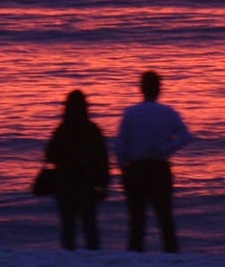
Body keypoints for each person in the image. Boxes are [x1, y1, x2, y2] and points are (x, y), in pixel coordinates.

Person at [115, 69, 195, 253]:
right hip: (159, 168)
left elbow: (120, 144)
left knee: (137, 221)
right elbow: (185, 136)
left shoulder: (131, 113)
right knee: (165, 218)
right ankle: (172, 257)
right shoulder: (168, 112)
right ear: (159, 89)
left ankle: (135, 257)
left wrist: (122, 167)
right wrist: (165, 149)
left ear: (141, 88)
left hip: (136, 169)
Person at [44, 89, 111, 250]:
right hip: (87, 185)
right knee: (90, 227)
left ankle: (68, 258)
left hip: (65, 185)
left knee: (68, 228)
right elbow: (102, 159)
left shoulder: (62, 130)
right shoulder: (92, 130)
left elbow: (50, 155)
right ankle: (93, 259)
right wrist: (103, 185)